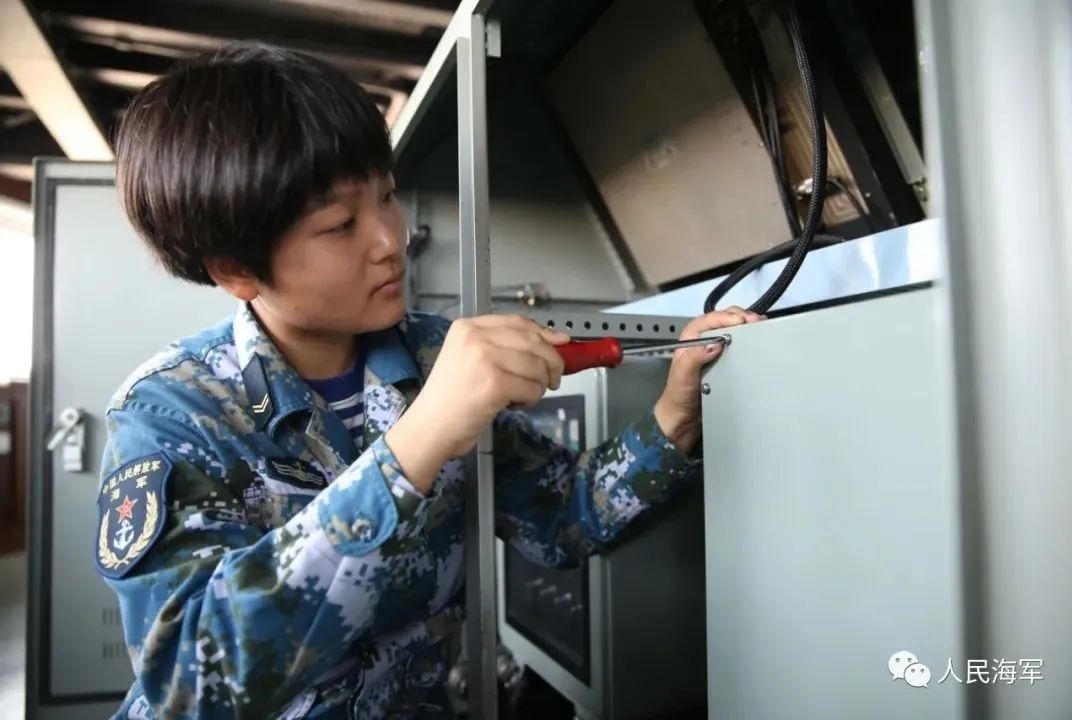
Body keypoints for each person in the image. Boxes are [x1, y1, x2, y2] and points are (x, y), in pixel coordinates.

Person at [93, 41, 763, 720]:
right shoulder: (172, 413)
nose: (391, 240)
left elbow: (563, 518)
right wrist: (420, 440)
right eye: (341, 224)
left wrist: (675, 416)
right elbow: (188, 684)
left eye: (386, 196)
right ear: (236, 270)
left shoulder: (433, 352)